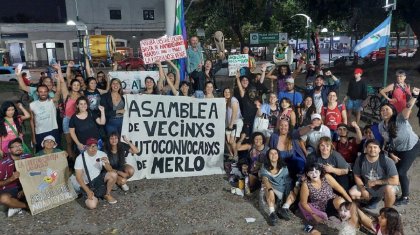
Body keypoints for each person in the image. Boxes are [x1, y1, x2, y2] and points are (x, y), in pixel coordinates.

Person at [378, 88, 420, 206]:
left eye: (387, 109)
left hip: (412, 146)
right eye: (382, 110)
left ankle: (405, 197)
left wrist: (414, 96)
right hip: (397, 149)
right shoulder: (381, 126)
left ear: (393, 111)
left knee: (401, 172)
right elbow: (387, 142)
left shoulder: (399, 119)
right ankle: (391, 192)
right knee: (391, 169)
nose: (384, 111)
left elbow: (408, 108)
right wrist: (391, 154)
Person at [349, 139, 399, 208]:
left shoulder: (387, 161)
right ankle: (371, 200)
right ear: (365, 149)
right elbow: (356, 175)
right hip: (367, 186)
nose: (372, 150)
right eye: (370, 147)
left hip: (382, 187)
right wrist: (362, 189)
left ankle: (386, 211)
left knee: (390, 190)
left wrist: (376, 182)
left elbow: (395, 181)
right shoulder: (360, 159)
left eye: (375, 147)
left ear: (379, 149)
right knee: (352, 193)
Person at [74, 138, 118, 209]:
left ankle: (107, 194)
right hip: (87, 183)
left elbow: (110, 170)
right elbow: (78, 177)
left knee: (114, 174)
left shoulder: (102, 154)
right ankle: (97, 195)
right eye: (90, 146)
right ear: (86, 147)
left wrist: (106, 163)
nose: (93, 148)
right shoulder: (79, 158)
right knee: (92, 205)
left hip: (98, 178)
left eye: (95, 145)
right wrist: (87, 191)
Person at [259, 148, 292, 226]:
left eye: (275, 153)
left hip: (281, 188)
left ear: (278, 155)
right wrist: (270, 189)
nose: (273, 155)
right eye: (271, 153)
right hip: (271, 187)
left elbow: (287, 181)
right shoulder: (264, 167)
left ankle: (284, 207)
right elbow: (265, 179)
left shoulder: (284, 167)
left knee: (294, 191)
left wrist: (287, 194)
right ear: (268, 156)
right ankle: (272, 213)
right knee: (267, 189)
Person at [0, 138, 32, 217]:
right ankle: (27, 206)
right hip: (9, 188)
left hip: (26, 186)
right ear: (9, 150)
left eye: (20, 146)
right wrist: (11, 178)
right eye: (15, 146)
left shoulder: (28, 157)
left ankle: (16, 206)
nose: (18, 148)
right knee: (4, 198)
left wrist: (63, 154)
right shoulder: (2, 164)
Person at [269, 119, 306, 183]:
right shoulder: (274, 136)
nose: (283, 127)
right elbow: (270, 151)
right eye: (281, 125)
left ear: (289, 127)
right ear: (278, 126)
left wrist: (311, 126)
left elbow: (300, 132)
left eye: (286, 125)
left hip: (293, 167)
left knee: (300, 162)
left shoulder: (292, 135)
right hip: (280, 166)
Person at [29, 85, 61, 152]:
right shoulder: (32, 105)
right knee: (41, 153)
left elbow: (58, 93)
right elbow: (32, 121)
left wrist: (58, 80)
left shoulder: (52, 101)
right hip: (39, 132)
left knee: (55, 152)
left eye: (45, 91)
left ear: (48, 92)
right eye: (41, 92)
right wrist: (33, 136)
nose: (43, 93)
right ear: (37, 93)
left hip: (53, 130)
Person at [59, 78, 83, 159]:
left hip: (78, 119)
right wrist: (59, 70)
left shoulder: (81, 96)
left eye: (78, 85)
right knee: (69, 142)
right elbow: (62, 81)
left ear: (80, 86)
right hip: (67, 120)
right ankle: (72, 160)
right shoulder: (67, 95)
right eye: (74, 85)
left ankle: (80, 158)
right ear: (71, 86)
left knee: (79, 141)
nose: (76, 86)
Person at [235, 71, 258, 138]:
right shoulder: (245, 98)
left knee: (253, 138)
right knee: (246, 138)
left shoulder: (257, 101)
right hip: (246, 123)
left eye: (254, 92)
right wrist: (237, 78)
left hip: (255, 122)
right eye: (250, 91)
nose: (252, 93)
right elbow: (240, 89)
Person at [224, 87, 243, 159]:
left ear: (231, 93)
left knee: (232, 141)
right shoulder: (226, 101)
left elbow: (234, 113)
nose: (227, 93)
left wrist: (231, 125)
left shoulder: (233, 100)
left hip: (236, 122)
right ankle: (231, 155)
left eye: (228, 92)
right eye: (225, 92)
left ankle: (235, 156)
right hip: (228, 123)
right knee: (228, 141)